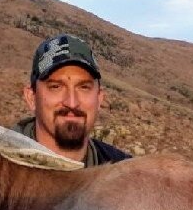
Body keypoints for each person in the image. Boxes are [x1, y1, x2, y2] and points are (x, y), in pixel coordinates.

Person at [13, 33, 130, 166]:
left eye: (84, 87)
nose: (72, 103)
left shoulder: (127, 175)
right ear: (31, 98)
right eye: (56, 87)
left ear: (99, 98)